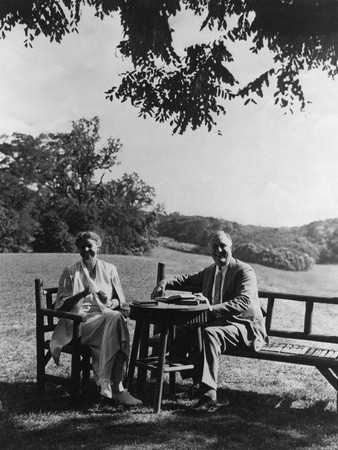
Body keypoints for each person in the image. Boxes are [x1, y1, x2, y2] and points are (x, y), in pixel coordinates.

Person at [151, 230, 267, 412]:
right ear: (209, 250)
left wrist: (211, 310)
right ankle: (189, 378)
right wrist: (165, 283)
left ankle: (208, 395)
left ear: (231, 248)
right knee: (179, 328)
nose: (219, 250)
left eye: (223, 246)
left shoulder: (244, 271)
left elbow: (242, 302)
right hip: (218, 323)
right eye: (215, 246)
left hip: (243, 326)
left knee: (209, 333)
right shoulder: (210, 271)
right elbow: (187, 279)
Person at [50, 231, 142, 407]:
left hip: (104, 321)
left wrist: (108, 301)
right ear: (78, 249)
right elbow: (60, 306)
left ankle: (108, 384)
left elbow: (121, 302)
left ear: (98, 247)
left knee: (115, 318)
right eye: (82, 246)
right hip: (78, 325)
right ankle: (116, 388)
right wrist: (81, 294)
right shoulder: (70, 272)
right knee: (116, 323)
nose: (86, 250)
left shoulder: (110, 269)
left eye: (89, 246)